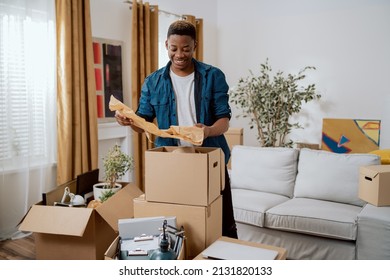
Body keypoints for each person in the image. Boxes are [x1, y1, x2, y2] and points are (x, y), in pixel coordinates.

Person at [115, 20, 238, 239]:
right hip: (172, 161)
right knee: (175, 223)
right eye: (174, 49)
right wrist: (128, 121)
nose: (179, 54)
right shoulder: (153, 82)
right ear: (166, 45)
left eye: (186, 48)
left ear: (195, 45)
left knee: (223, 222)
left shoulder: (213, 76)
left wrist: (207, 130)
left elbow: (224, 120)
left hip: (210, 159)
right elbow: (142, 122)